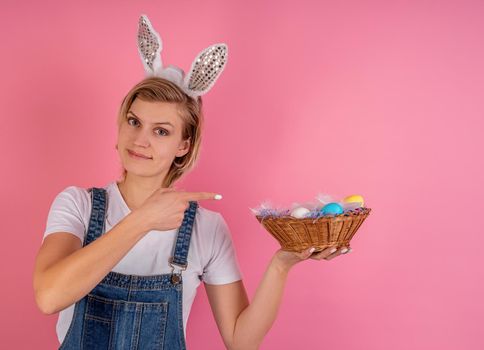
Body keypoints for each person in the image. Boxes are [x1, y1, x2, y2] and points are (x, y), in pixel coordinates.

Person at [33, 15, 352, 350]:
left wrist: (281, 265)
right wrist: (143, 220)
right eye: (134, 121)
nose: (140, 139)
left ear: (183, 146)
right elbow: (49, 296)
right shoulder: (78, 205)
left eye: (161, 131)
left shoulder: (206, 229)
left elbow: (241, 341)